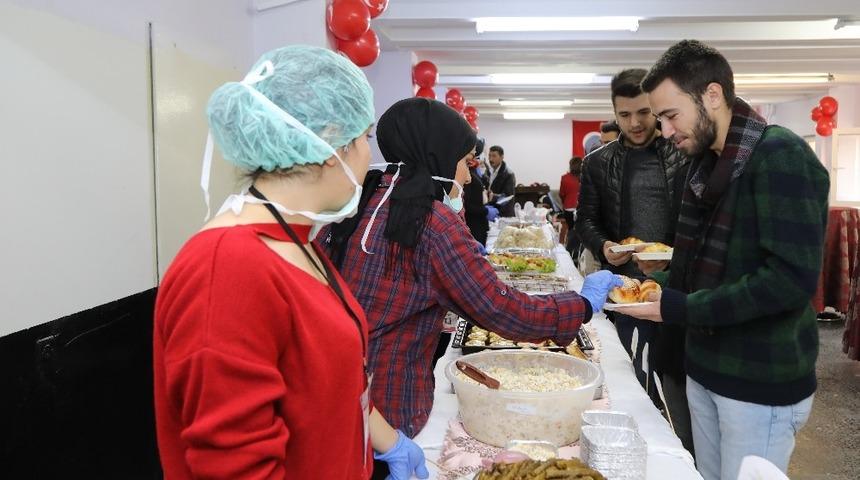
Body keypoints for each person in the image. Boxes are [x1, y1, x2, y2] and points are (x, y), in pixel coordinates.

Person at [153, 45, 427, 480]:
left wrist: (385, 440)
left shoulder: (297, 241)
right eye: (365, 138)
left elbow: (329, 379)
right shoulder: (227, 267)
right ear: (330, 142)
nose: (365, 156)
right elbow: (234, 466)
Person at [322, 97, 622, 453]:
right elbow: (502, 310)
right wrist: (581, 305)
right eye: (464, 163)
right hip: (388, 400)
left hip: (338, 393)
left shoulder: (362, 201)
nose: (467, 176)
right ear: (438, 157)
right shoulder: (431, 221)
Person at [623, 39, 829, 480]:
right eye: (660, 119)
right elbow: (736, 253)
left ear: (712, 95)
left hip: (758, 381)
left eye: (670, 115)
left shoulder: (779, 155)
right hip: (705, 367)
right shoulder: (708, 164)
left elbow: (788, 279)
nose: (664, 131)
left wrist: (680, 307)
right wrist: (676, 264)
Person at [575, 68, 693, 451]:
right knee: (625, 378)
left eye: (643, 112)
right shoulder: (598, 161)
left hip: (678, 287)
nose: (635, 123)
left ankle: (679, 454)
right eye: (624, 115)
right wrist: (603, 245)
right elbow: (585, 220)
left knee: (675, 381)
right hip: (622, 292)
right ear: (613, 112)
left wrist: (672, 260)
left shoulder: (684, 154)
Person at [463, 138, 497, 247]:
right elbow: (467, 204)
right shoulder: (468, 174)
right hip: (474, 225)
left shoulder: (476, 171)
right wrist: (485, 211)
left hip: (479, 224)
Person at [483, 145, 517, 217]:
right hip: (491, 211)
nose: (490, 159)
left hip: (504, 215)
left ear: (502, 157)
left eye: (494, 156)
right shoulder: (487, 171)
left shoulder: (509, 174)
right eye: (489, 156)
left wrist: (492, 197)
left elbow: (508, 197)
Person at [559, 156, 583, 255]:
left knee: (571, 229)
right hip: (581, 207)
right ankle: (577, 252)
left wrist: (565, 203)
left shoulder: (564, 178)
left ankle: (569, 251)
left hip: (568, 208)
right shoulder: (584, 177)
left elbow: (562, 194)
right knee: (580, 231)